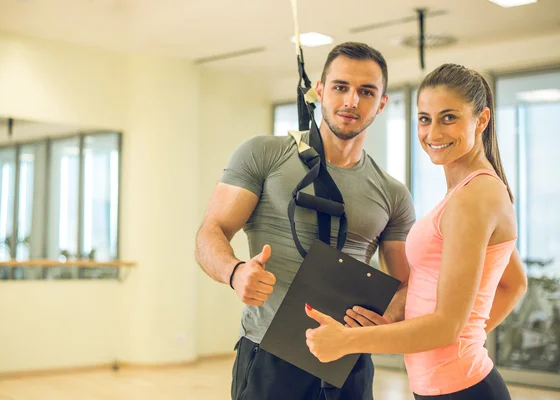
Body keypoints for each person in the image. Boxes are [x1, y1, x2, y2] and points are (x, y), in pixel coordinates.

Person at [195, 42, 415, 400]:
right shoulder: (264, 154)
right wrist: (234, 272)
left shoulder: (393, 194)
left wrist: (388, 317)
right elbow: (210, 231)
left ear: (382, 103)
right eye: (341, 87)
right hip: (271, 355)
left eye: (366, 92)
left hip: (349, 360)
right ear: (320, 90)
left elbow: (406, 284)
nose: (351, 102)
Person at [304, 63, 529, 399]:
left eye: (449, 117)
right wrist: (454, 340)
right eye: (425, 119)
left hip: (462, 390)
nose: (433, 133)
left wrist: (346, 341)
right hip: (449, 384)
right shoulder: (469, 192)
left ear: (481, 120)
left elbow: (446, 326)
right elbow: (514, 283)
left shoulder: (474, 197)